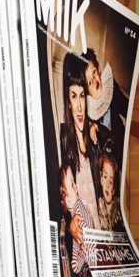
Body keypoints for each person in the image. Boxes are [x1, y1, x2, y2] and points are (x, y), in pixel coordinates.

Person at [59, 52, 101, 227]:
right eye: (74, 96)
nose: (79, 107)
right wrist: (71, 223)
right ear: (68, 102)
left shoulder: (95, 134)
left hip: (100, 229)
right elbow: (63, 192)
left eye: (82, 96)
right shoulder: (64, 138)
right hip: (83, 235)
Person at [83, 48, 129, 166]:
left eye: (94, 72)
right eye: (89, 83)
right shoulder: (88, 110)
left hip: (123, 146)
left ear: (99, 70)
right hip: (106, 164)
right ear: (87, 91)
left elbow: (127, 108)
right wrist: (90, 127)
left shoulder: (111, 90)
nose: (95, 81)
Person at [58, 164, 97, 277]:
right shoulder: (74, 218)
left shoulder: (80, 208)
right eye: (72, 184)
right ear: (68, 202)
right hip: (86, 268)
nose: (76, 186)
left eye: (74, 182)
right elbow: (76, 265)